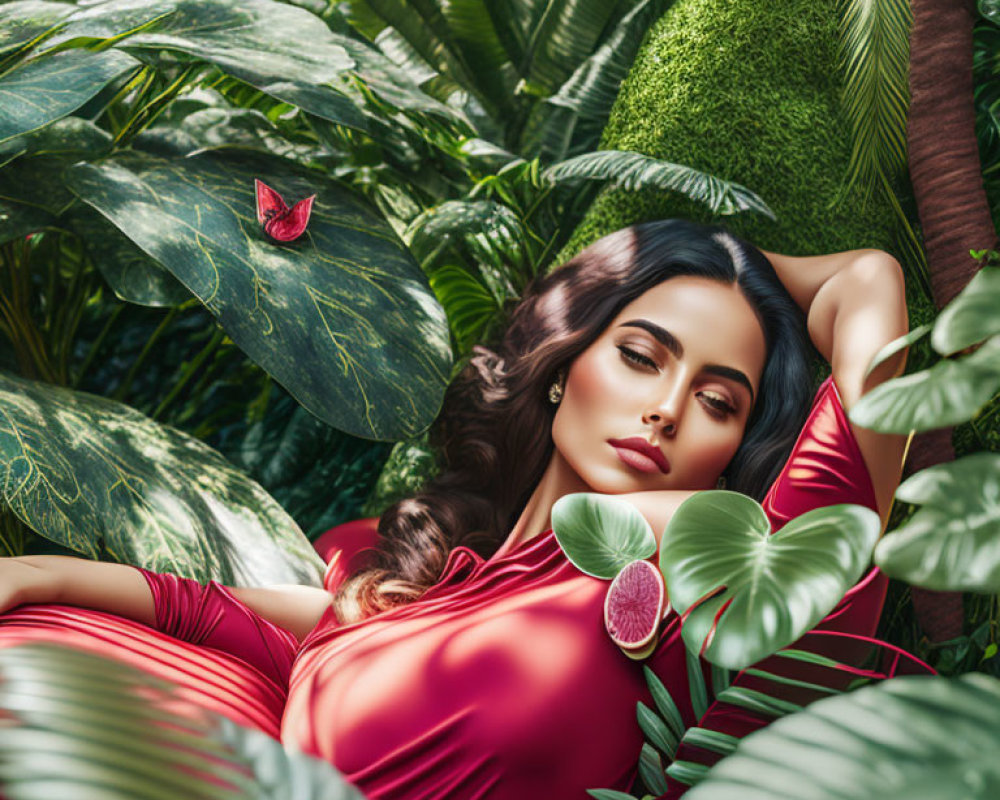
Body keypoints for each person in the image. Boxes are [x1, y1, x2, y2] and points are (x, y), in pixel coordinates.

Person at [0, 219, 910, 798]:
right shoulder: (430, 592)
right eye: (641, 354)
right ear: (563, 372)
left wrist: (733, 261)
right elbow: (225, 612)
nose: (668, 408)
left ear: (733, 452)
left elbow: (866, 281)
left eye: (720, 401)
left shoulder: (712, 582)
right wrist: (41, 572)